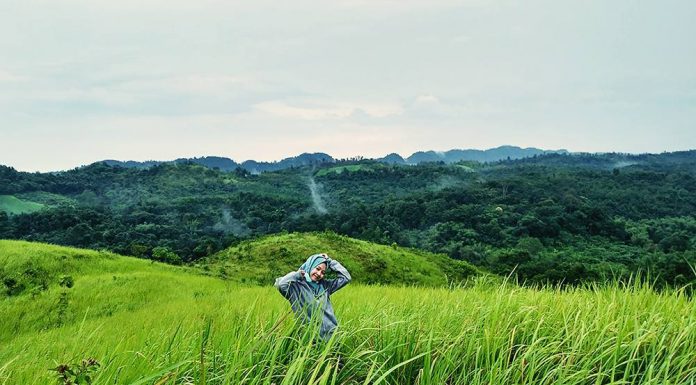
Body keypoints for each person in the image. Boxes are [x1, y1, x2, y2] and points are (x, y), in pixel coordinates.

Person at [274, 253, 351, 340]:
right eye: (317, 269)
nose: (319, 274)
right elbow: (281, 285)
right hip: (310, 338)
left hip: (331, 336)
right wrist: (298, 274)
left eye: (323, 272)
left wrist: (330, 261)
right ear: (310, 265)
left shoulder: (325, 286)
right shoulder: (295, 288)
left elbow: (346, 278)